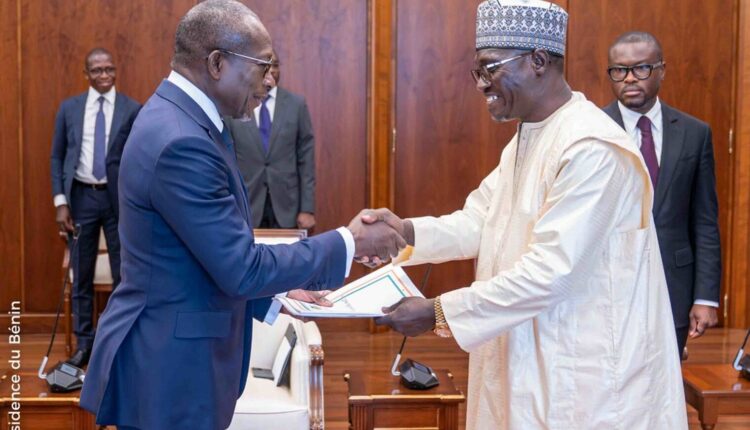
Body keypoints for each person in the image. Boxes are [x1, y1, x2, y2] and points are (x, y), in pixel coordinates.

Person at [78, 1, 404, 428]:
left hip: (172, 358)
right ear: (217, 63)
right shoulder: (180, 140)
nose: (269, 80)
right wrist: (349, 241)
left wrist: (276, 294)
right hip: (170, 370)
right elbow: (241, 268)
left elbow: (199, 256)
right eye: (262, 66)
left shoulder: (183, 119)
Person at [372, 1, 687, 428]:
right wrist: (403, 232)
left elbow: (549, 273)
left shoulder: (591, 147)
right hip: (530, 347)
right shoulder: (530, 136)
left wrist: (437, 312)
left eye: (490, 68)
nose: (481, 84)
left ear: (538, 61)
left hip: (583, 371)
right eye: (477, 71)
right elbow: (480, 222)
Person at [603, 31, 721, 357]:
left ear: (661, 70)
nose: (629, 78)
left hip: (674, 286)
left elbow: (705, 221)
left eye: (641, 68)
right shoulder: (592, 130)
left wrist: (705, 297)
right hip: (606, 289)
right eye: (619, 70)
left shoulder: (695, 133)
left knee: (666, 381)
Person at [49, 47, 141, 368]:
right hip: (81, 199)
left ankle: (116, 341)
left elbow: (137, 158)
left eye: (109, 69)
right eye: (97, 70)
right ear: (85, 74)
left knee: (123, 274)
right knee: (82, 274)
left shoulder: (132, 109)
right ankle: (84, 344)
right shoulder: (70, 108)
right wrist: (61, 202)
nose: (104, 75)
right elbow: (57, 156)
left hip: (118, 202)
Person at [226, 49, 317, 230]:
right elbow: (228, 159)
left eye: (275, 65)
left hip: (287, 206)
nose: (271, 70)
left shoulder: (296, 104)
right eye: (265, 66)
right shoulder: (236, 105)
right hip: (247, 204)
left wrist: (307, 209)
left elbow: (306, 160)